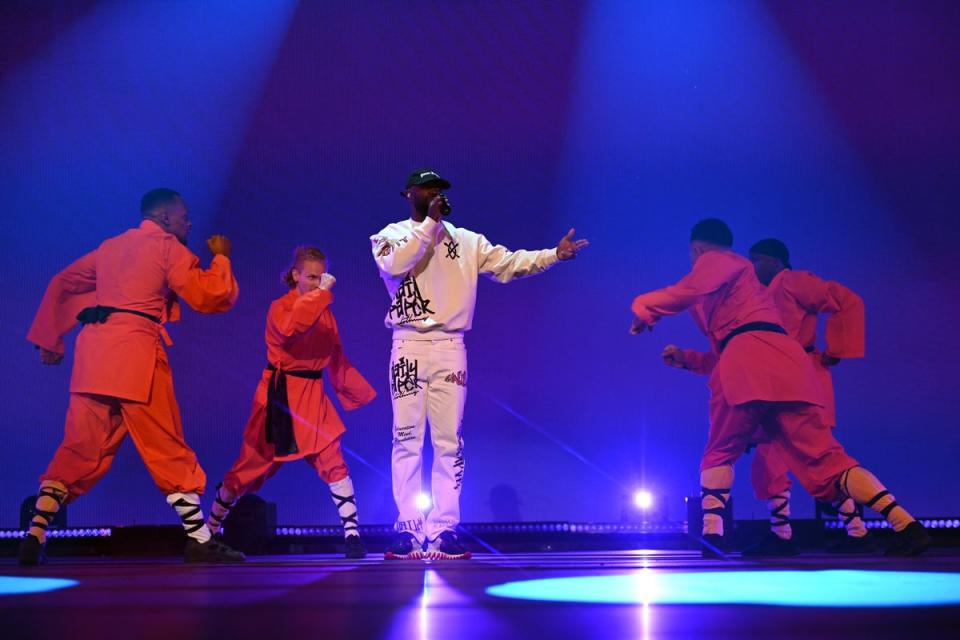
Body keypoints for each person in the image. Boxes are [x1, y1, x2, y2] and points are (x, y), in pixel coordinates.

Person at [632, 218, 929, 557]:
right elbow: (727, 347)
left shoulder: (723, 261)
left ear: (697, 248)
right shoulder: (751, 294)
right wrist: (686, 358)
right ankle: (905, 524)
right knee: (826, 458)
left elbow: (696, 299)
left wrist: (646, 308)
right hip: (789, 369)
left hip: (750, 366)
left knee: (721, 448)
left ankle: (712, 534)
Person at [371, 168, 588, 559]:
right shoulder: (390, 235)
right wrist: (431, 226)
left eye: (440, 189)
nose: (435, 193)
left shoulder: (467, 241)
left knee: (449, 442)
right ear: (409, 194)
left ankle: (444, 528)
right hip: (407, 345)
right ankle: (406, 528)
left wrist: (554, 255)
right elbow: (395, 265)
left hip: (451, 345)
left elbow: (508, 264)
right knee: (405, 439)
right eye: (428, 189)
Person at [21, 188, 244, 565]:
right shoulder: (167, 247)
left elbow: (63, 282)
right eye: (183, 215)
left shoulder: (110, 247)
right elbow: (210, 296)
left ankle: (35, 533)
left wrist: (51, 337)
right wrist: (221, 258)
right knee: (166, 446)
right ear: (164, 218)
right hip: (135, 354)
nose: (188, 222)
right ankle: (200, 540)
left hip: (93, 357)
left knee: (78, 449)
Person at [206, 247, 377, 559]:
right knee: (248, 467)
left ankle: (352, 536)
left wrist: (353, 390)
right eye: (312, 277)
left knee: (334, 462)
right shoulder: (281, 308)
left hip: (313, 396)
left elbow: (335, 355)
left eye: (321, 277)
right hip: (280, 400)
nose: (318, 283)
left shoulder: (324, 311)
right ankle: (208, 531)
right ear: (296, 275)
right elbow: (291, 327)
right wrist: (322, 294)